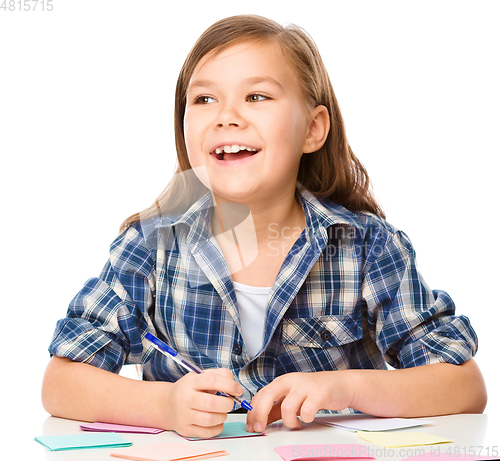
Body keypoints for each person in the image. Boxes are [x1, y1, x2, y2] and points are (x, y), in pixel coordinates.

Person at [42, 14, 487, 438]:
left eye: (256, 96)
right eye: (204, 99)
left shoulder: (365, 246)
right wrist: (163, 405)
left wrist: (346, 388)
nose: (227, 115)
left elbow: (464, 386)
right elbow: (60, 384)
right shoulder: (149, 246)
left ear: (313, 129)